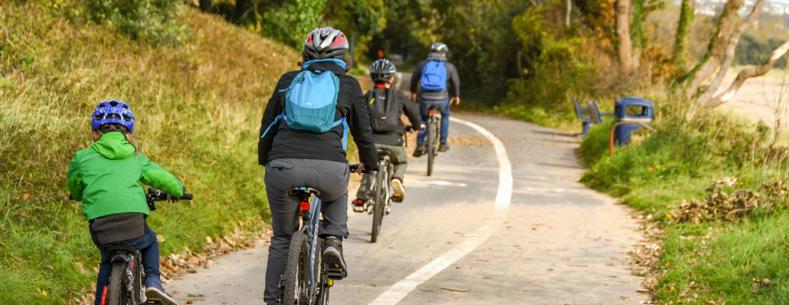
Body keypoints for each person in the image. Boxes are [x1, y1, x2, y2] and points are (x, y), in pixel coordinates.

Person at [257, 27, 378, 305]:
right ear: (343, 57)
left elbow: (267, 128)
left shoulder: (289, 80)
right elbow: (364, 133)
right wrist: (369, 165)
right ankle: (333, 241)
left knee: (282, 238)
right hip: (329, 169)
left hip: (283, 168)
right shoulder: (348, 85)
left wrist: (266, 158)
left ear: (305, 54)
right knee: (337, 190)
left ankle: (274, 299)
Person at [67, 100, 185, 305]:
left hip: (101, 226)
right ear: (128, 132)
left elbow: (75, 186)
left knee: (106, 257)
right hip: (133, 223)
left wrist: (77, 194)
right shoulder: (135, 155)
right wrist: (179, 190)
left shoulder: (82, 158)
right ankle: (153, 282)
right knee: (150, 241)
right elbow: (162, 178)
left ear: (95, 132)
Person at [352, 58, 421, 213]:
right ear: (392, 78)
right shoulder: (399, 96)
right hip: (394, 141)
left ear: (372, 77)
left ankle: (361, 198)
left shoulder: (367, 96)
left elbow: (358, 118)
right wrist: (416, 126)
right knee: (401, 162)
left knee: (369, 166)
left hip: (372, 142)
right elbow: (414, 113)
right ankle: (397, 178)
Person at [410, 42, 461, 156]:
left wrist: (413, 92)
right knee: (445, 115)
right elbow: (455, 83)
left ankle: (420, 144)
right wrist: (456, 96)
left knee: (423, 118)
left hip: (424, 97)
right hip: (442, 98)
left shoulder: (422, 65)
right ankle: (443, 143)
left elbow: (414, 79)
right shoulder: (449, 67)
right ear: (444, 54)